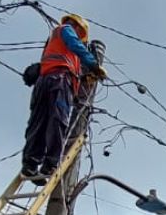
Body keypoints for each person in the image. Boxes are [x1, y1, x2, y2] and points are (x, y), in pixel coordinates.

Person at [21, 13, 107, 184]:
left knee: (39, 123)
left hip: (45, 82)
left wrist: (84, 77)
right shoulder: (66, 30)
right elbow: (76, 46)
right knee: (57, 121)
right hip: (58, 83)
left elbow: (66, 63)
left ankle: (31, 165)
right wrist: (94, 65)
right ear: (77, 26)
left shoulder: (57, 44)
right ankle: (50, 164)